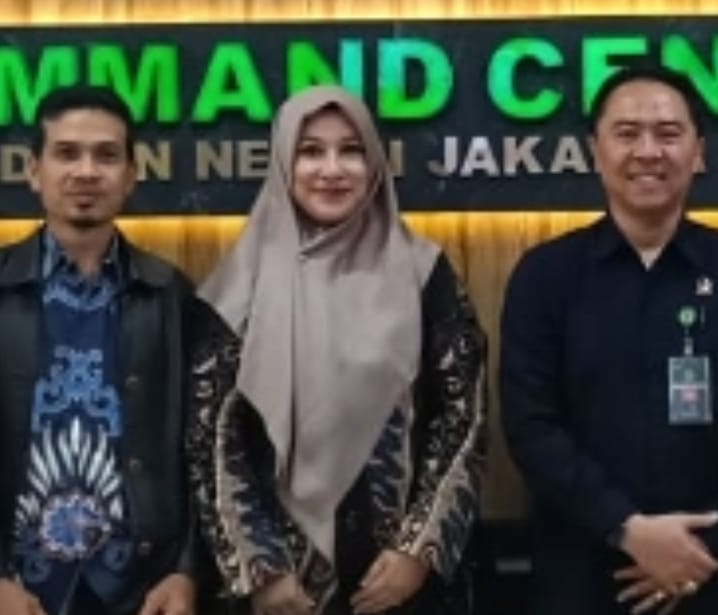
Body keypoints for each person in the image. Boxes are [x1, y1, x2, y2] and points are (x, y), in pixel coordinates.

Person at [186, 85, 486, 615]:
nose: (332, 169)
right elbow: (212, 438)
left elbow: (464, 417)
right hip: (281, 592)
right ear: (283, 164)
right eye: (310, 151)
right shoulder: (241, 286)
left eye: (351, 150)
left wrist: (417, 550)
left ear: (374, 165)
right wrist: (260, 570)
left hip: (401, 587)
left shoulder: (424, 274)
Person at [501, 65, 718, 615]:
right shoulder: (545, 275)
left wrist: (701, 548)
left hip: (711, 570)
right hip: (582, 574)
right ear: (595, 151)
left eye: (668, 134)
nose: (647, 151)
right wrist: (628, 529)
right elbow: (531, 426)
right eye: (627, 133)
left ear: (698, 152)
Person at [0, 85, 199, 615]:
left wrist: (186, 571)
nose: (86, 172)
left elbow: (202, 447)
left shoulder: (171, 294)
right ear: (34, 171)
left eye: (106, 156)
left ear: (131, 175)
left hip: (142, 590)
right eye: (67, 153)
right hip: (18, 588)